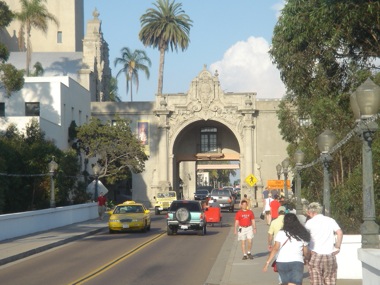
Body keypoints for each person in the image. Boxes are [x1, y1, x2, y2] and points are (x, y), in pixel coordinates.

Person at [263, 213, 311, 285]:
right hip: (297, 261)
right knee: (295, 283)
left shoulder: (281, 233)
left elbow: (275, 248)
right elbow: (306, 251)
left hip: (282, 262)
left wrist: (267, 262)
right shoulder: (302, 233)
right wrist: (307, 259)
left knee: (286, 283)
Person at [305, 202, 343, 285]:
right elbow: (339, 232)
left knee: (316, 281)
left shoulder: (309, 223)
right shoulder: (330, 220)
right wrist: (337, 247)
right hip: (330, 254)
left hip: (315, 254)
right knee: (330, 279)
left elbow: (305, 239)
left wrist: (307, 253)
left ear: (312, 212)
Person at [268, 205, 286, 285]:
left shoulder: (274, 222)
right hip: (287, 244)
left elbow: (270, 235)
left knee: (279, 262)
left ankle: (281, 280)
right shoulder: (288, 221)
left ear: (278, 212)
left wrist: (269, 244)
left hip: (277, 244)